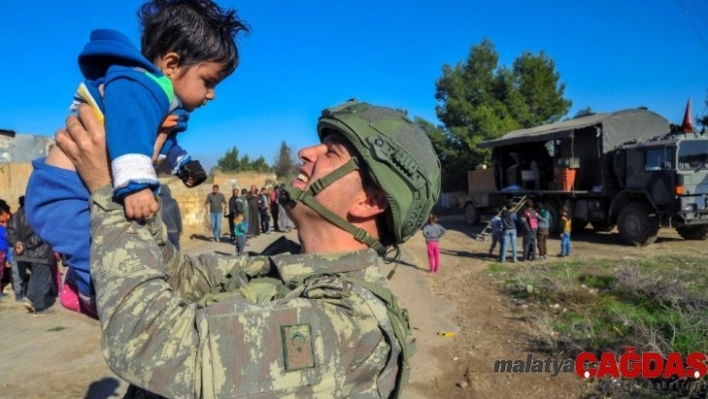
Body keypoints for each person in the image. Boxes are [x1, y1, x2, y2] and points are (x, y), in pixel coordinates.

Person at [57, 99, 441, 398]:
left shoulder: (348, 323)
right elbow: (180, 277)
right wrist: (136, 182)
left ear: (370, 202)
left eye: (333, 153)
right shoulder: (283, 265)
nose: (308, 151)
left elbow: (150, 341)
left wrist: (108, 190)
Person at [24, 0, 247, 317]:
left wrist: (182, 163)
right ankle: (87, 294)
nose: (211, 95)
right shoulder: (138, 85)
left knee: (108, 248)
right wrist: (138, 186)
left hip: (78, 189)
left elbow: (159, 144)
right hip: (62, 193)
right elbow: (127, 133)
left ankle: (82, 286)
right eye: (208, 82)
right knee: (96, 253)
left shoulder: (159, 102)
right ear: (171, 64)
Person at [6, 204, 55, 316]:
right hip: (39, 252)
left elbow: (10, 230)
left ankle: (31, 299)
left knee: (35, 276)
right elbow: (41, 234)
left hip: (22, 254)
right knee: (44, 280)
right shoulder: (41, 212)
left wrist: (16, 243)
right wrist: (25, 245)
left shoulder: (18, 214)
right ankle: (36, 304)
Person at [158, 184, 183, 251]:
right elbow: (178, 217)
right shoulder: (173, 202)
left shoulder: (157, 202)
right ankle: (177, 261)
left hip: (162, 231)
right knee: (176, 247)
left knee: (165, 250)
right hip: (173, 230)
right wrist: (180, 230)